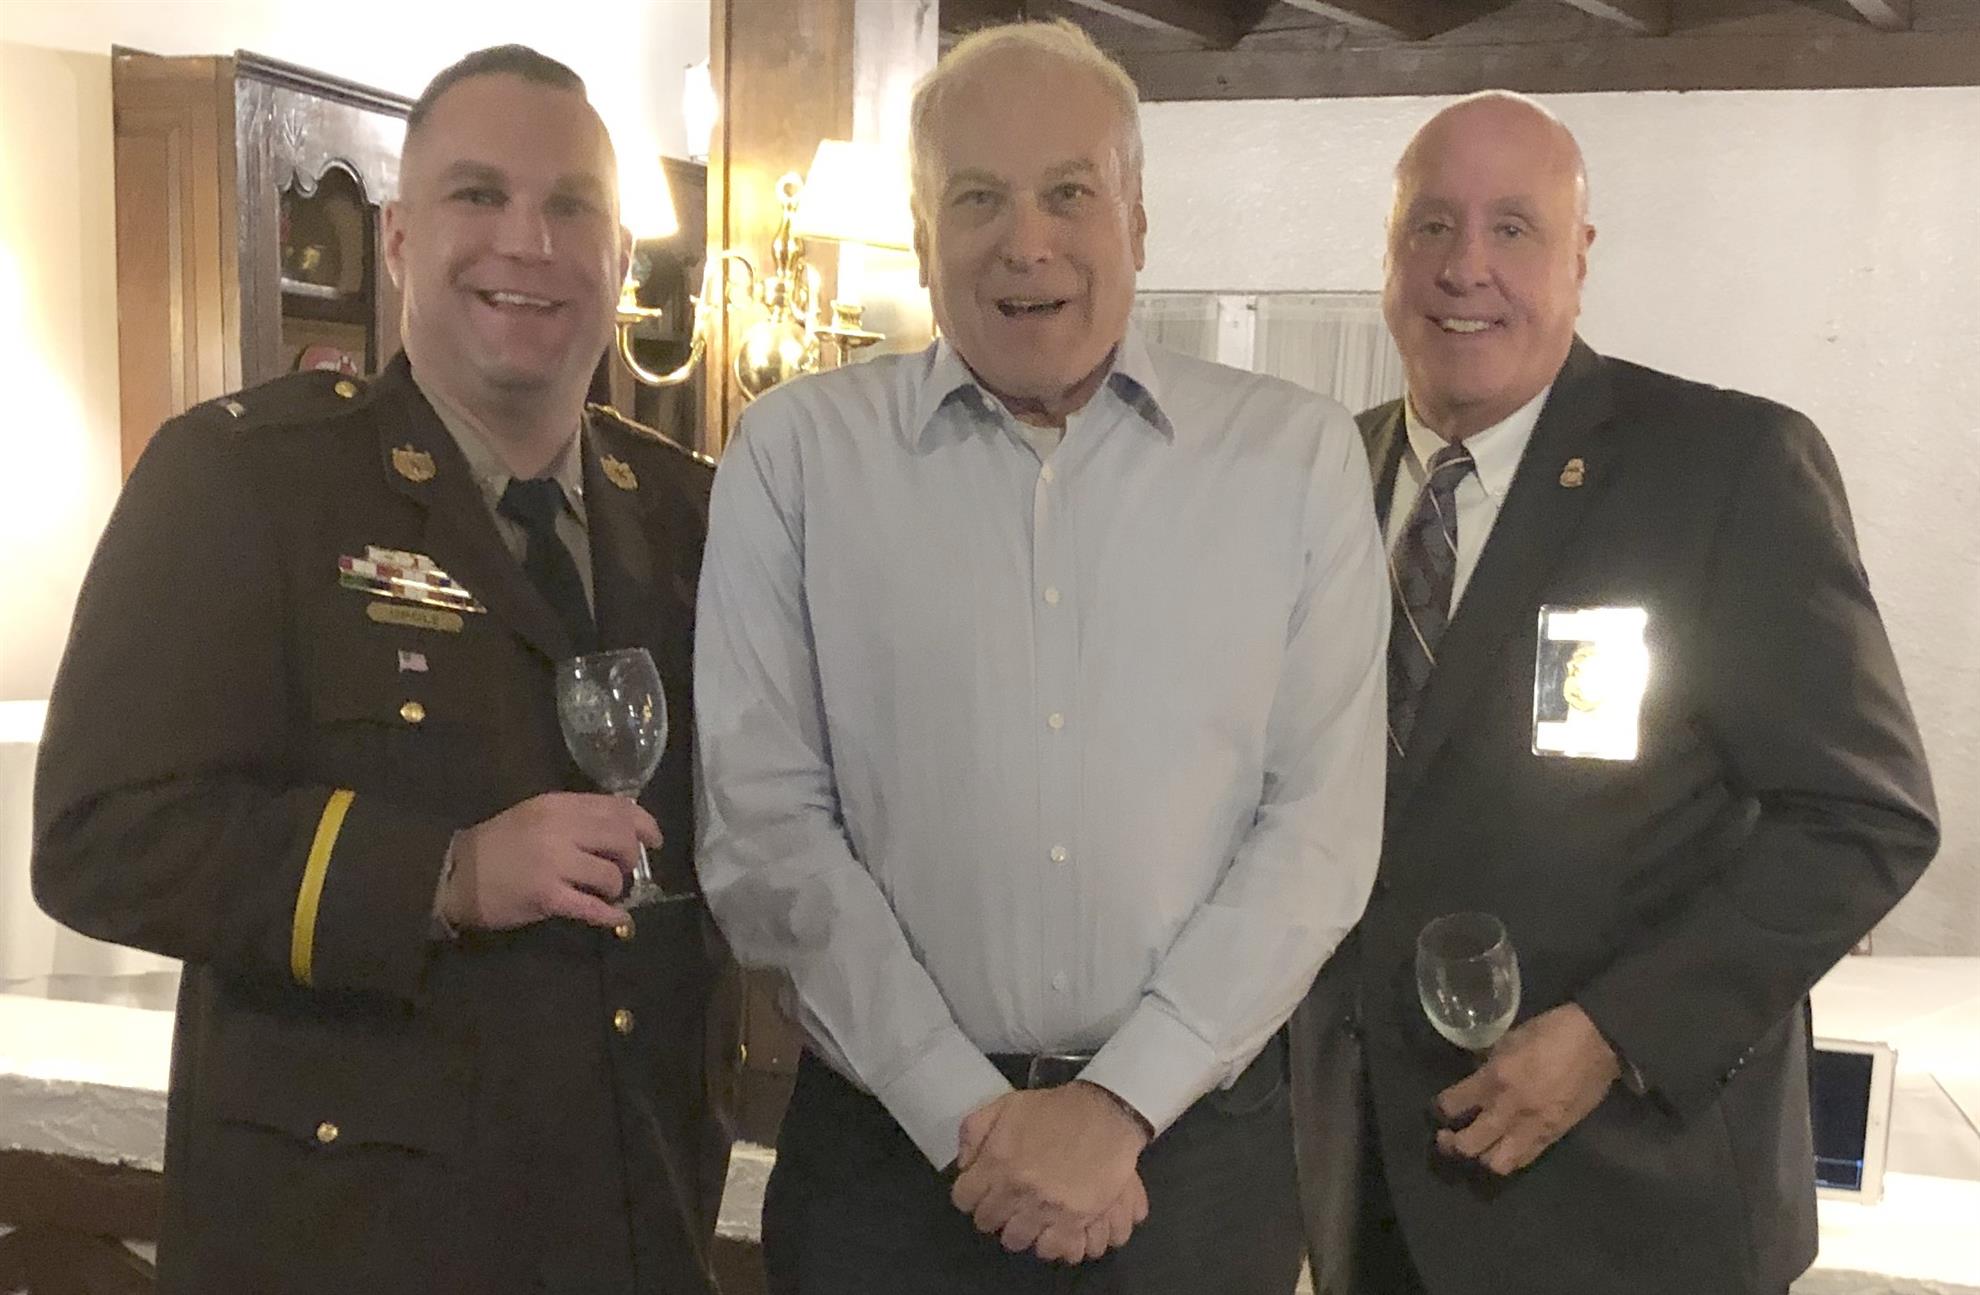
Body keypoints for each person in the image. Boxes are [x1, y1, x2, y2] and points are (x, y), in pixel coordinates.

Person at [693, 18, 1388, 1295]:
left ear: (1139, 219)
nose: (1028, 242)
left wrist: (1118, 1104)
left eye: (1070, 192)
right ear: (921, 235)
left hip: (1193, 1165)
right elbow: (763, 824)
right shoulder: (792, 458)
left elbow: (1320, 831)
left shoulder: (1296, 460)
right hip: (887, 1167)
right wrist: (965, 1111)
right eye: (978, 198)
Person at [32, 45, 735, 1295]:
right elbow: (102, 834)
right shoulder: (246, 480)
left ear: (621, 257)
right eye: (479, 194)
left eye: (571, 206)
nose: (528, 242)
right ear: (401, 238)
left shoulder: (695, 517)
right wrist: (445, 871)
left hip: (631, 1220)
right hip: (349, 1237)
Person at [1290, 91, 1939, 1295]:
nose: (1465, 267)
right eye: (1430, 226)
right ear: (1387, 255)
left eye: (1513, 228)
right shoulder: (1320, 474)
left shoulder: (1725, 470)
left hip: (1632, 1193)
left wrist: (1614, 1034)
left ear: (1580, 258)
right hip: (1371, 1181)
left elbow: (1865, 818)